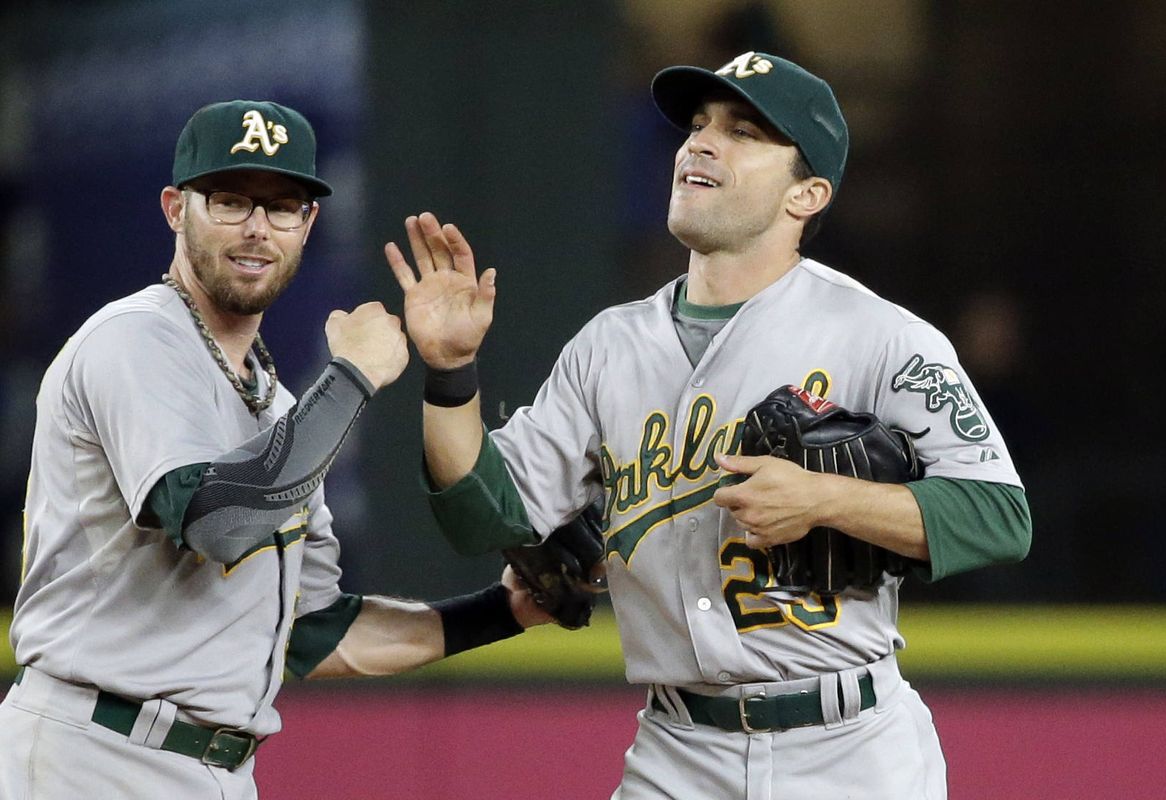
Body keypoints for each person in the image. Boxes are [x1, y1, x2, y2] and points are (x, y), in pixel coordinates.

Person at [387, 51, 1032, 799]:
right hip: (677, 751)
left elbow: (1000, 515)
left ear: (807, 194)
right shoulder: (610, 345)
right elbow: (481, 514)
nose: (701, 142)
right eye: (698, 125)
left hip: (849, 747)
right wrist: (452, 373)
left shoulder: (881, 336)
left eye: (744, 132)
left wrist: (826, 499)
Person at [0, 100, 550, 800]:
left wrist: (502, 612)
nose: (258, 228)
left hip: (211, 769)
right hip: (91, 755)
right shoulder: (134, 339)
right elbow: (218, 521)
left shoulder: (281, 410)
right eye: (230, 201)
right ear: (176, 208)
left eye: (283, 206)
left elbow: (315, 635)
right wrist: (351, 378)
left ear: (308, 224)